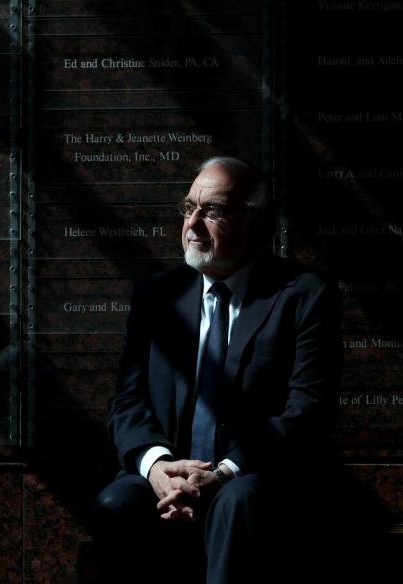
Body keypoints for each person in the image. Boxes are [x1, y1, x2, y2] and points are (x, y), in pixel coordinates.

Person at [89, 156, 342, 584]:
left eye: (214, 211)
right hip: (169, 470)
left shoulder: (303, 294)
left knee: (236, 503)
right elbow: (127, 402)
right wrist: (157, 469)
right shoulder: (157, 295)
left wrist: (222, 472)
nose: (194, 223)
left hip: (255, 474)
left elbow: (308, 410)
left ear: (256, 223)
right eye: (189, 208)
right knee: (115, 503)